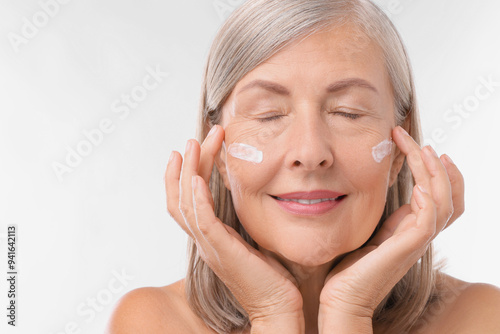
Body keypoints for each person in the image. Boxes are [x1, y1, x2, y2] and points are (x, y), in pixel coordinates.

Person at [106, 0, 500, 333]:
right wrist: (272, 312)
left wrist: (350, 310)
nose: (310, 153)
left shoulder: (478, 318)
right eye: (268, 115)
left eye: (347, 112)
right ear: (220, 152)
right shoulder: (155, 321)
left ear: (401, 146)